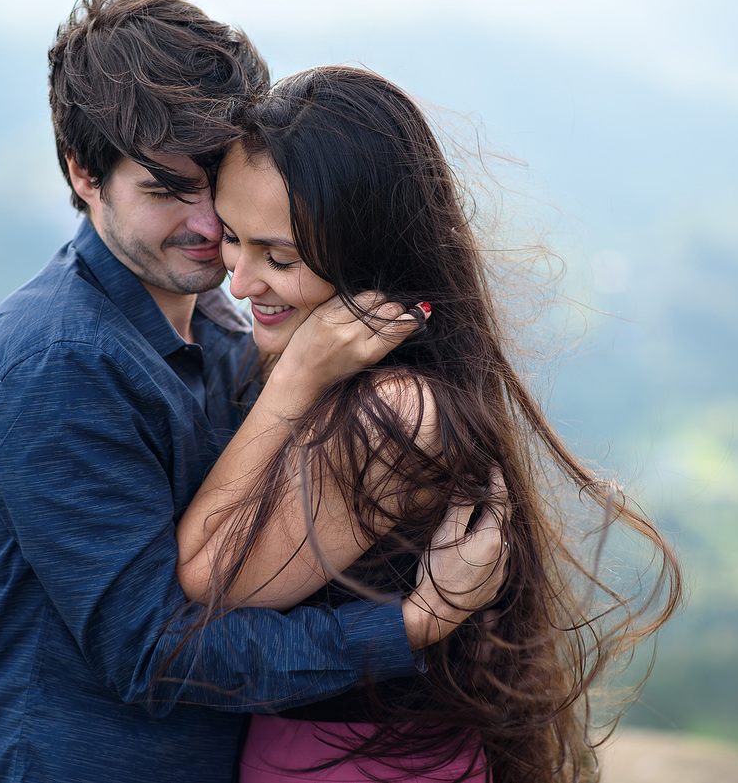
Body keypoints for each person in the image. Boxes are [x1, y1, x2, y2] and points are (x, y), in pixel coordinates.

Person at [0, 0, 506, 783]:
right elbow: (152, 649)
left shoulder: (224, 320)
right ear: (84, 173)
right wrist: (410, 625)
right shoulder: (59, 361)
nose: (210, 224)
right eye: (168, 188)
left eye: (218, 182)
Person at [173, 66, 684, 783]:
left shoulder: (391, 414)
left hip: (352, 764)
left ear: (368, 254)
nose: (241, 279)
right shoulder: (367, 382)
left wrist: (294, 378)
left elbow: (207, 573)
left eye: (278, 257)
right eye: (232, 238)